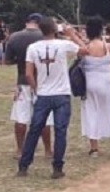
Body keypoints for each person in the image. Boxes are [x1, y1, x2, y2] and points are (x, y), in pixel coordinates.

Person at [17, 17, 87, 179]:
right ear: (55, 30)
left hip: (43, 94)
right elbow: (85, 51)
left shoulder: (33, 48)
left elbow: (28, 73)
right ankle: (57, 167)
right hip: (61, 93)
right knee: (60, 131)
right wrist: (72, 35)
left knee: (34, 130)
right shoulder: (64, 45)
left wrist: (36, 89)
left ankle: (24, 165)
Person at [5, 13, 53, 159]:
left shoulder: (14, 37)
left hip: (22, 81)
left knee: (21, 117)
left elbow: (7, 61)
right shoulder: (45, 37)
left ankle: (20, 150)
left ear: (27, 22)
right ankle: (47, 150)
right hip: (43, 82)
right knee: (44, 118)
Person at [81, 17, 110, 157]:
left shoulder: (86, 47)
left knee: (91, 112)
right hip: (105, 82)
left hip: (90, 83)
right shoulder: (108, 46)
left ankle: (94, 147)